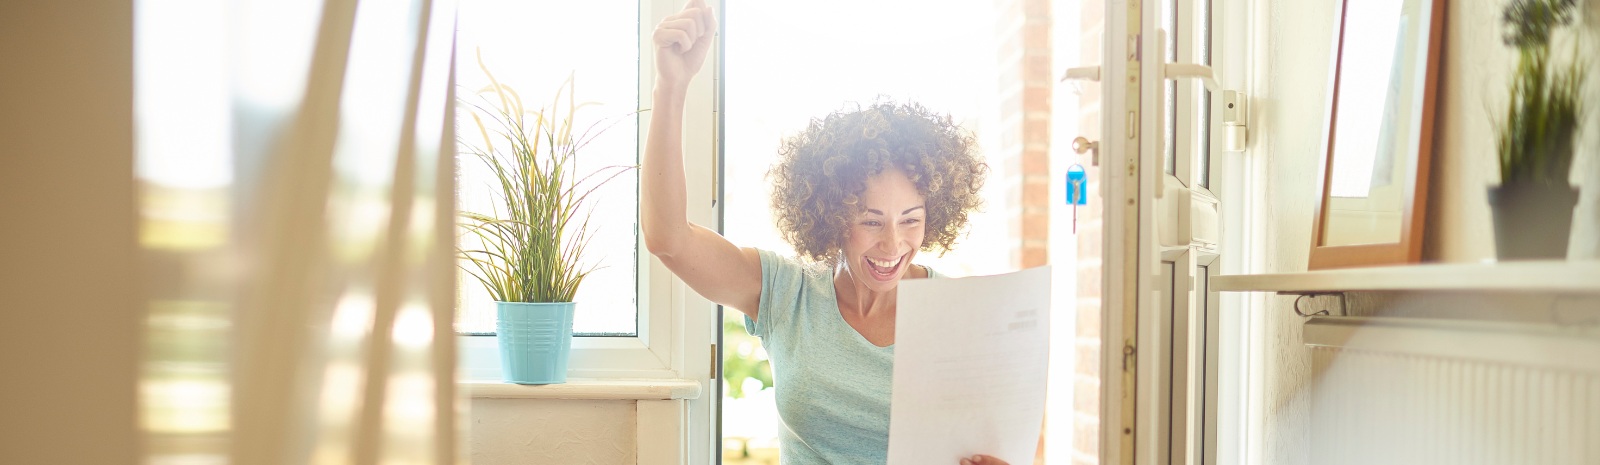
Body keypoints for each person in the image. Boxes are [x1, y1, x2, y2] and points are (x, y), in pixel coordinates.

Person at [643, 2, 1006, 464]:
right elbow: (668, 238)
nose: (893, 244)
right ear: (832, 214)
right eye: (871, 221)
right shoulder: (784, 294)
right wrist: (671, 86)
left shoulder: (956, 316)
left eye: (910, 219)